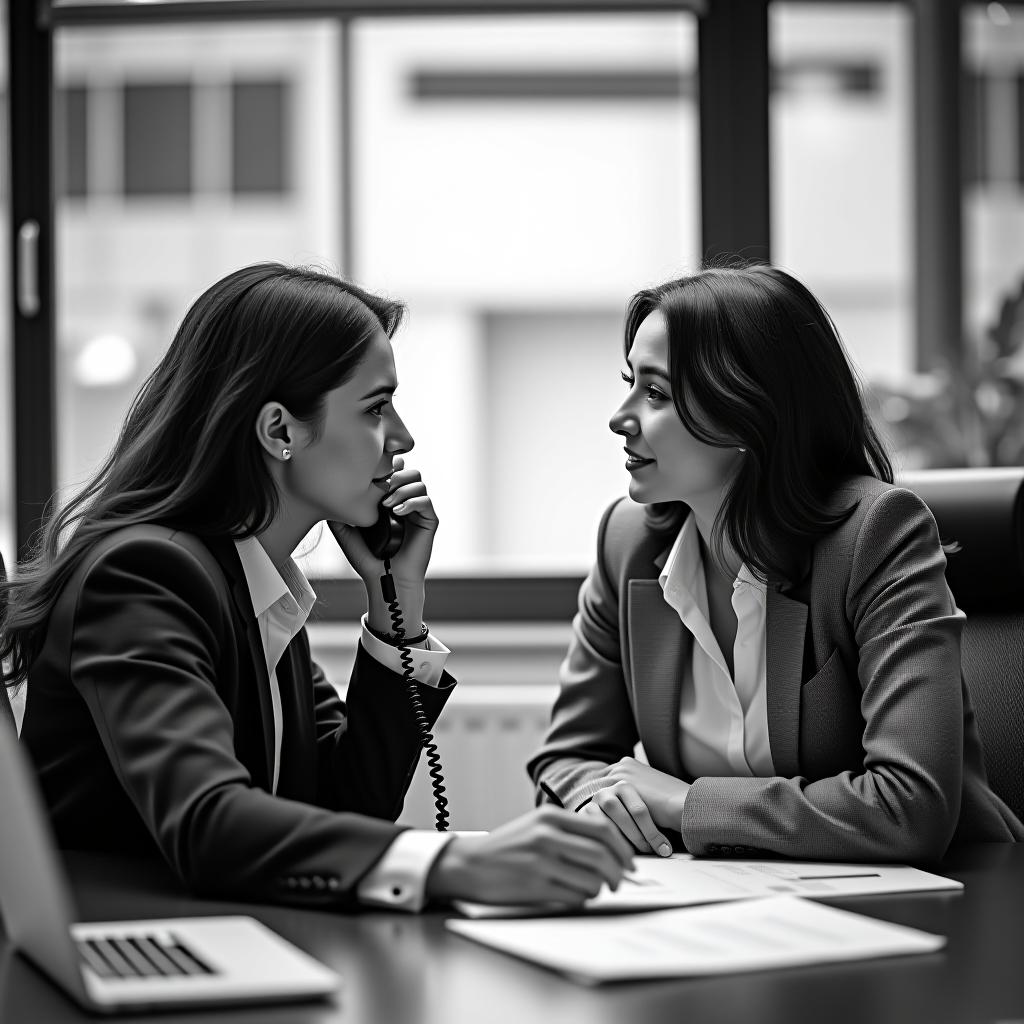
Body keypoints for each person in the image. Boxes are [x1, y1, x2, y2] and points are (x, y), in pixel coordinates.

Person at [1, 262, 632, 911]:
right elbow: (207, 823)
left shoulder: (251, 582)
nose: (403, 438)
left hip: (219, 932)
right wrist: (456, 859)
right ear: (280, 430)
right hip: (118, 951)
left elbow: (350, 802)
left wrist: (397, 606)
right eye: (376, 406)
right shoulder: (144, 573)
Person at [528, 263, 1024, 862]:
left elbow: (909, 804)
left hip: (939, 905)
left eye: (655, 392)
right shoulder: (626, 542)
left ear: (747, 411)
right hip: (720, 903)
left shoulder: (876, 535)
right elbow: (567, 759)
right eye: (631, 382)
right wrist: (605, 802)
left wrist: (689, 805)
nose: (620, 417)